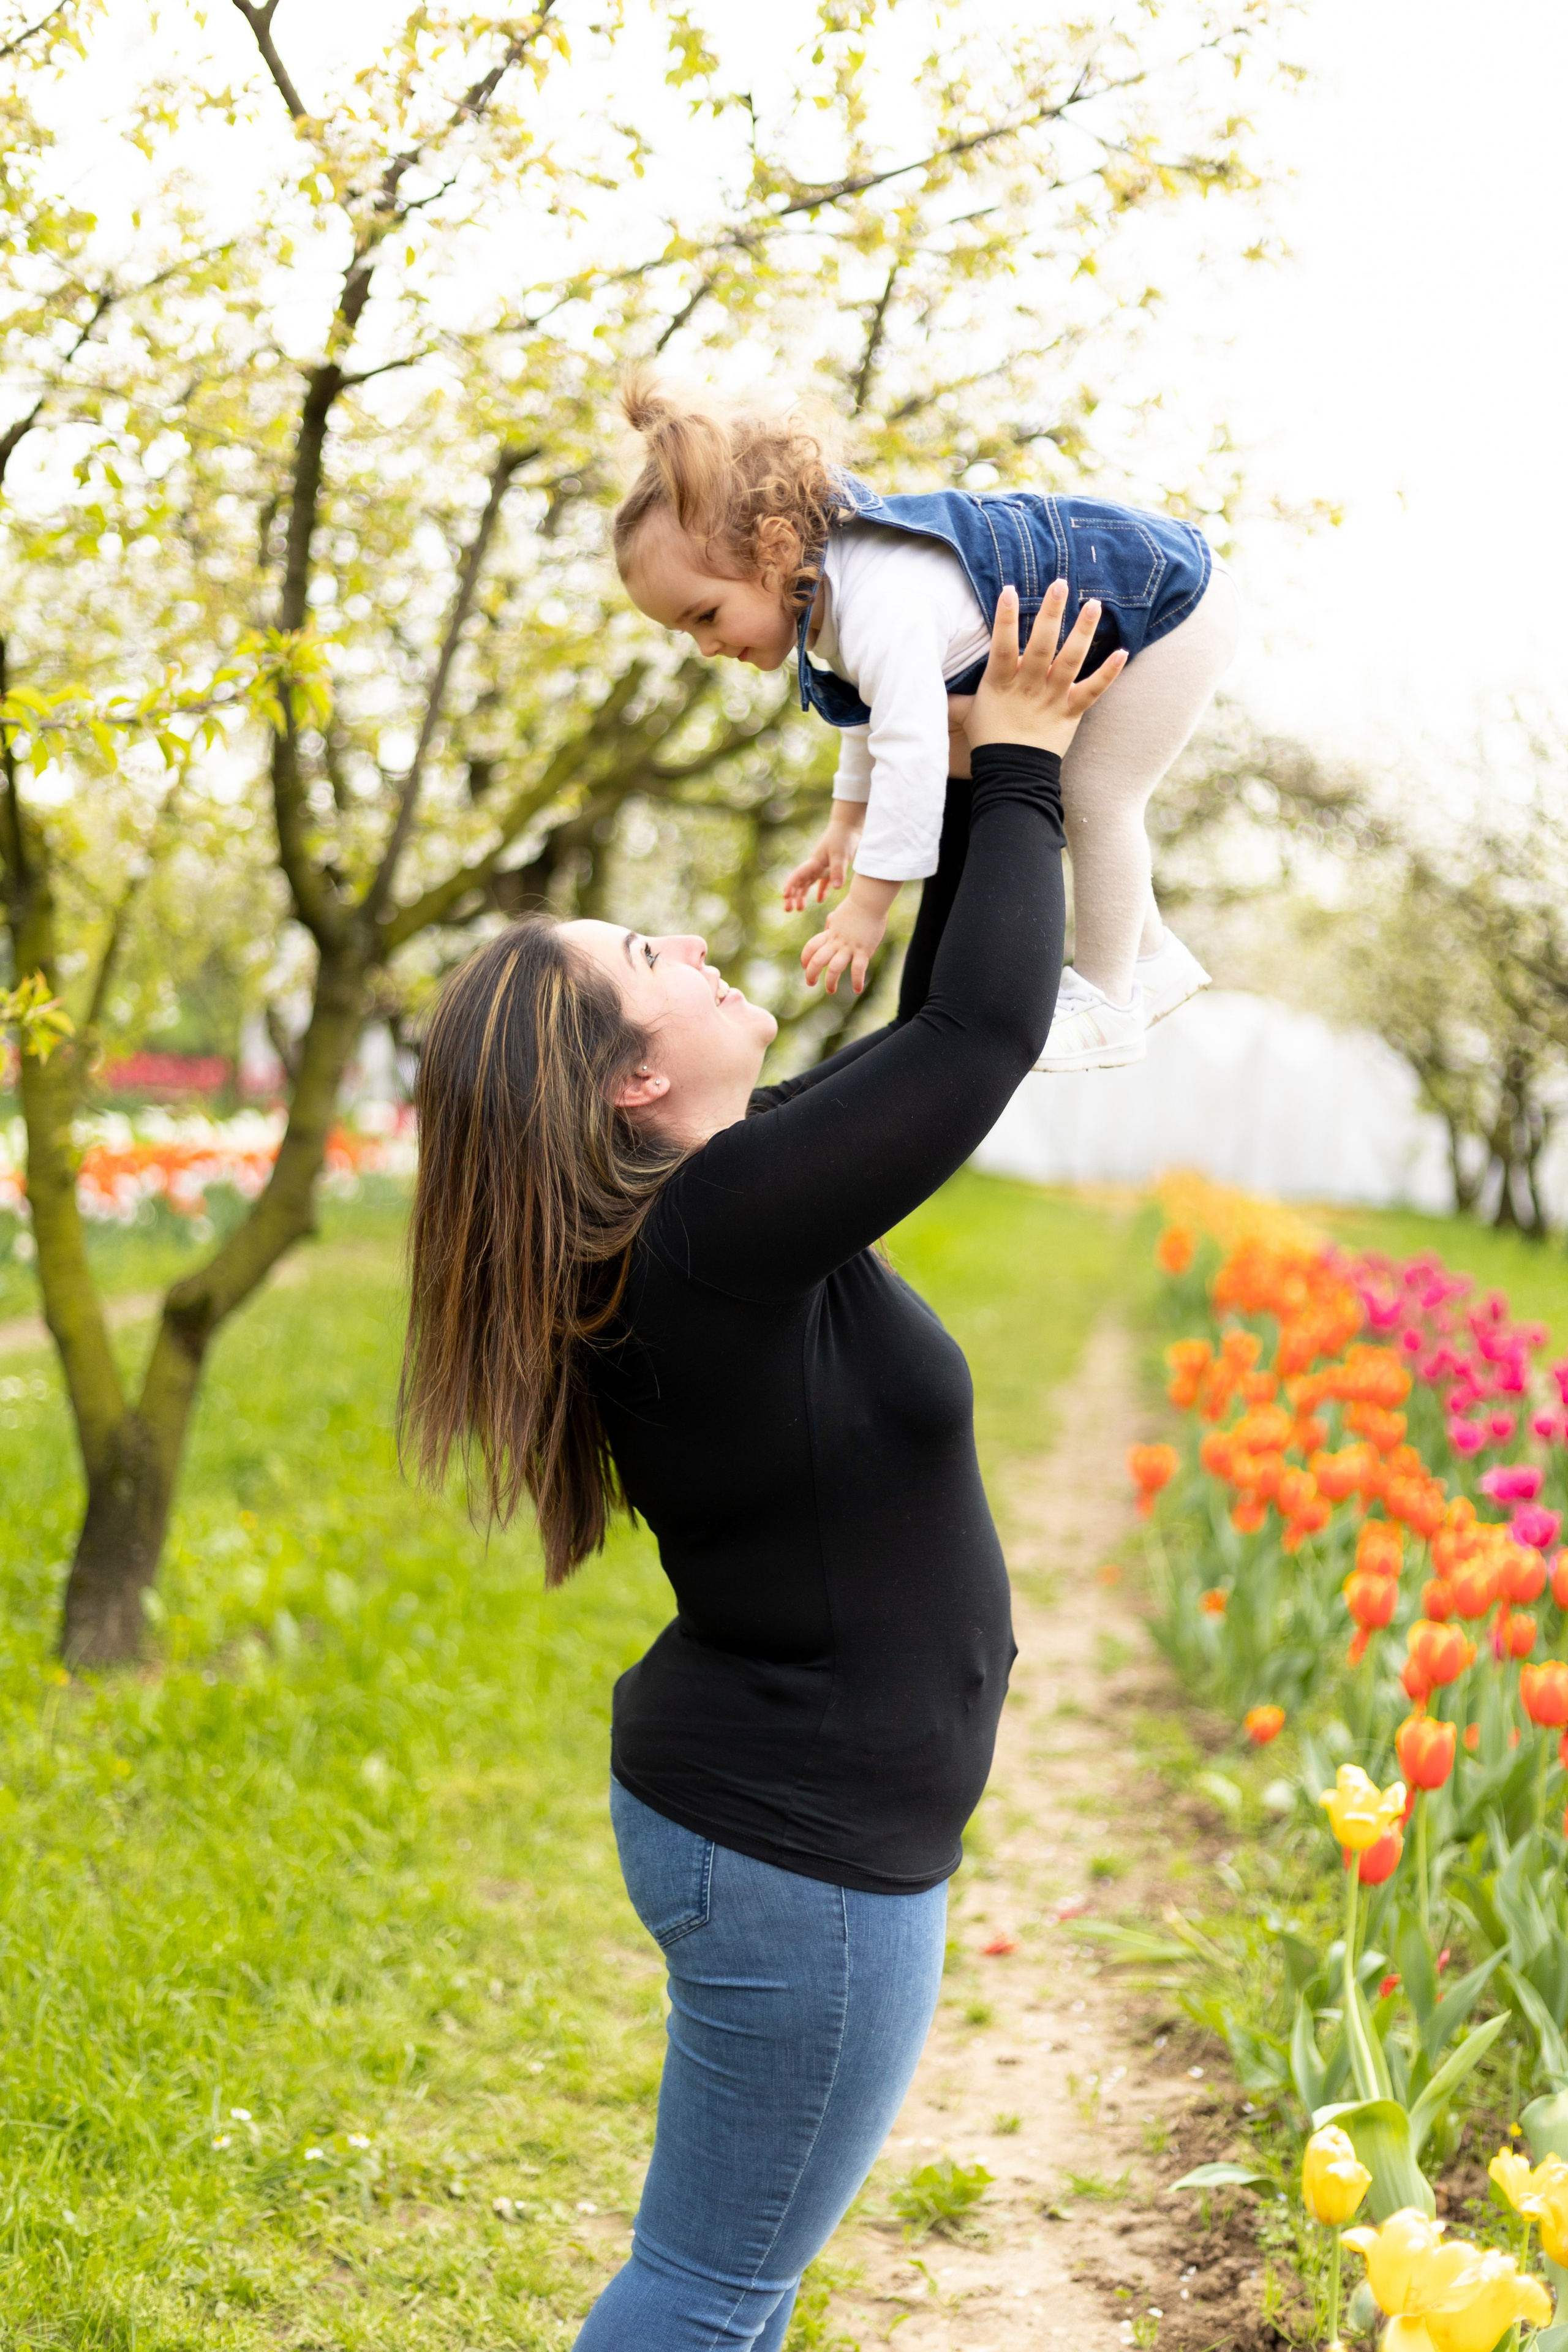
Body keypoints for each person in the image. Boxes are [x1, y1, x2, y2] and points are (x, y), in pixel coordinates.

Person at [399, 579, 1120, 2350]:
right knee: (712, 2293)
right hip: (798, 1850)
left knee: (739, 2281)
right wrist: (1016, 765)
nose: (692, 946)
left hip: (786, 1829)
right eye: (648, 961)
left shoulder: (708, 1214)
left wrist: (952, 784)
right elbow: (981, 1038)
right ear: (632, 1082)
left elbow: (940, 1031)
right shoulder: (712, 1231)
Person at [614, 377, 1239, 1071]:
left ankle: (1111, 1001)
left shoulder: (883, 597)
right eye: (684, 630)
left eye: (706, 614)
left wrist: (868, 906)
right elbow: (872, 712)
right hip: (1128, 616)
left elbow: (908, 752)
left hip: (1172, 608)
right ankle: (1154, 960)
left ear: (775, 549)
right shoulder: (826, 596)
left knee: (1095, 794)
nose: (705, 646)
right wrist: (845, 823)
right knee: (1031, 770)